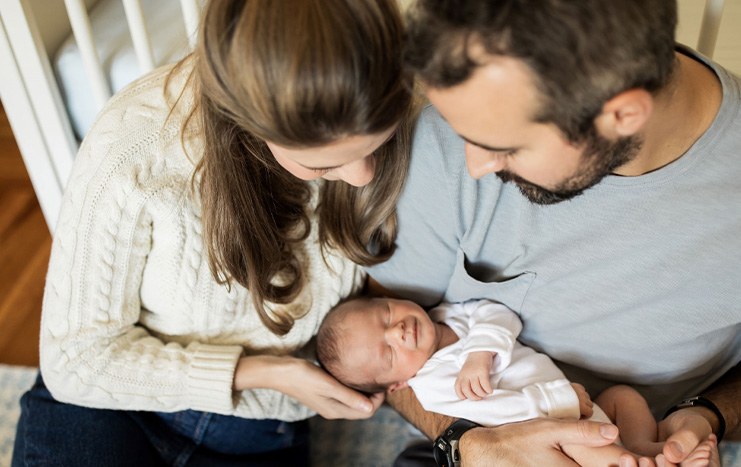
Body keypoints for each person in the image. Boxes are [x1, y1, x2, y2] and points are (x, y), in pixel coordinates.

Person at [12, 0, 418, 465]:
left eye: (377, 143)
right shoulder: (138, 147)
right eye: (323, 164)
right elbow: (76, 360)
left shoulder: (404, 96)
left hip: (259, 430)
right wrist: (262, 372)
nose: (364, 177)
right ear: (247, 119)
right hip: (113, 407)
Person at [367, 0, 739, 465]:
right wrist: (468, 444)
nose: (476, 166)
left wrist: (708, 415)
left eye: (505, 147)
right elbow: (371, 337)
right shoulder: (443, 145)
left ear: (622, 115)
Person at [317, 297, 716, 466]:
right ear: (395, 386)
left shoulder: (450, 315)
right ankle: (639, 463)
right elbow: (497, 413)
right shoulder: (432, 384)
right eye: (388, 352)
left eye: (386, 313)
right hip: (550, 429)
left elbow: (499, 314)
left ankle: (648, 449)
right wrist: (559, 398)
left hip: (581, 406)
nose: (399, 330)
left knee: (623, 397)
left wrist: (480, 353)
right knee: (598, 451)